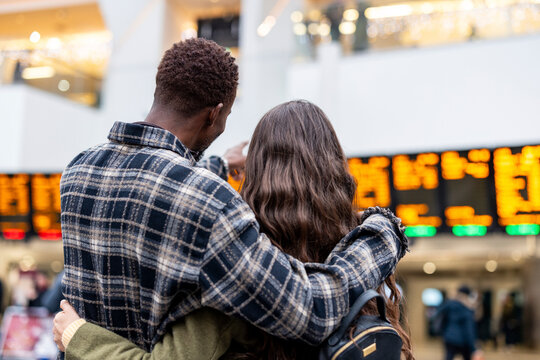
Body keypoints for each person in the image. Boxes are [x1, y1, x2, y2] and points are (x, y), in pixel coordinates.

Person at [58, 38, 407, 356]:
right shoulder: (211, 202)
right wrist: (384, 231)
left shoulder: (77, 171)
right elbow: (309, 309)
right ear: (215, 114)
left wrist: (221, 163)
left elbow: (152, 186)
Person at [435, 285, 481, 360]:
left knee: (448, 357)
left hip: (449, 337)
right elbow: (469, 329)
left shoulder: (450, 303)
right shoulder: (468, 308)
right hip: (463, 340)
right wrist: (474, 348)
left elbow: (437, 312)